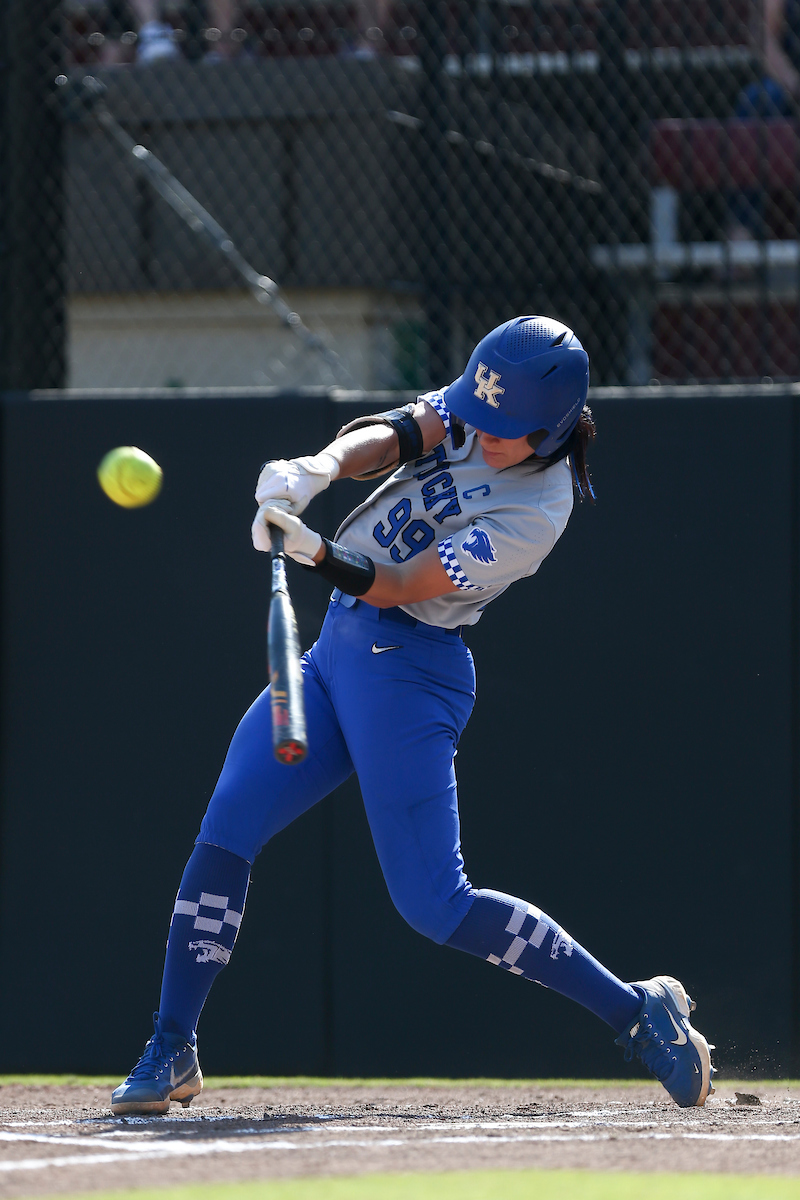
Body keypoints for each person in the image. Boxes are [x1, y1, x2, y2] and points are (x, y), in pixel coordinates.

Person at [110, 316, 715, 1115]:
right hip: (333, 655)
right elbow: (398, 434)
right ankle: (172, 1043)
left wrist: (316, 553)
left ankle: (637, 1011)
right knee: (228, 823)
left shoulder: (540, 511)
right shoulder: (480, 410)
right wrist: (313, 469)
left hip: (409, 670)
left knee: (435, 903)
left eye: (502, 430)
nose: (479, 430)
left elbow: (400, 585)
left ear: (551, 429)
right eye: (478, 412)